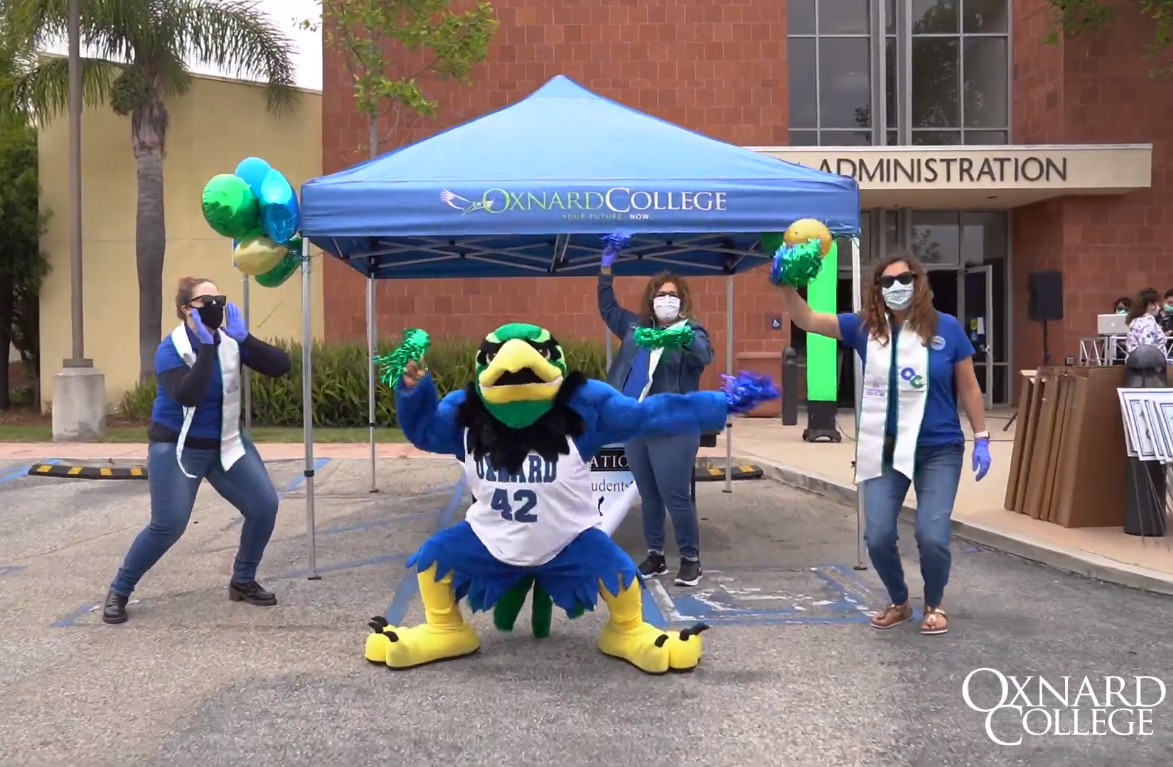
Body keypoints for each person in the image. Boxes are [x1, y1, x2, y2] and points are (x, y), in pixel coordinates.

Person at [777, 250, 990, 636]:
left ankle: (935, 604)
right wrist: (787, 284)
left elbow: (970, 387)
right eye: (887, 282)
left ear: (918, 281)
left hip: (938, 447)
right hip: (885, 448)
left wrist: (983, 437)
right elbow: (807, 319)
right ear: (878, 289)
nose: (896, 288)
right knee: (876, 535)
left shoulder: (947, 328)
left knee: (931, 533)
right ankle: (899, 600)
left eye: (903, 280)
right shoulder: (866, 328)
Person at [102, 277, 292, 624]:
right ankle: (120, 589)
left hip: (226, 444)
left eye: (218, 297)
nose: (216, 305)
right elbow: (189, 394)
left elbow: (281, 366)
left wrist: (244, 338)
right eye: (206, 300)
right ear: (186, 309)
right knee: (168, 525)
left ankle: (243, 580)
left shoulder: (230, 340)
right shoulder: (170, 349)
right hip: (177, 448)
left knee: (264, 505)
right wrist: (206, 349)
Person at [598, 257, 714, 587]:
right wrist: (605, 271)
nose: (666, 299)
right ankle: (656, 555)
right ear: (651, 299)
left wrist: (679, 336)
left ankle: (691, 559)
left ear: (682, 301)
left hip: (676, 426)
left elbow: (704, 356)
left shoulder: (691, 330)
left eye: (672, 295)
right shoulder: (636, 328)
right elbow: (608, 308)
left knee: (675, 495)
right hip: (638, 424)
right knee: (648, 496)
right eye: (660, 294)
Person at [1125, 288, 1168, 354]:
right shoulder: (1144, 322)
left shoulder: (1140, 321)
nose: (1159, 307)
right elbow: (1147, 347)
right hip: (1149, 362)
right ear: (1151, 305)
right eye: (1157, 303)